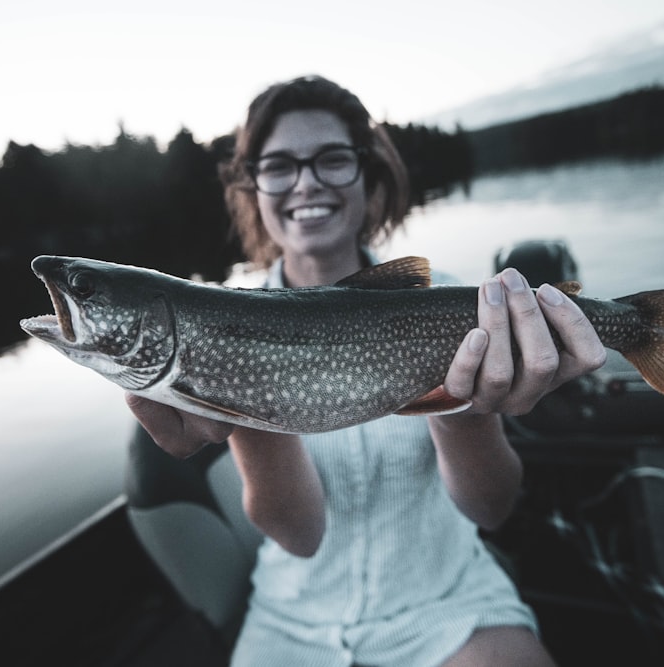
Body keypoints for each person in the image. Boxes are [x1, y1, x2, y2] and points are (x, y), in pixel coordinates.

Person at [126, 75, 606, 667]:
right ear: (253, 187)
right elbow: (299, 537)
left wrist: (463, 410)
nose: (306, 182)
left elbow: (491, 511)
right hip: (292, 621)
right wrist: (242, 407)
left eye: (331, 159)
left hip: (447, 602)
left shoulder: (460, 303)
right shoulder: (223, 324)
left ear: (369, 173)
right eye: (279, 166)